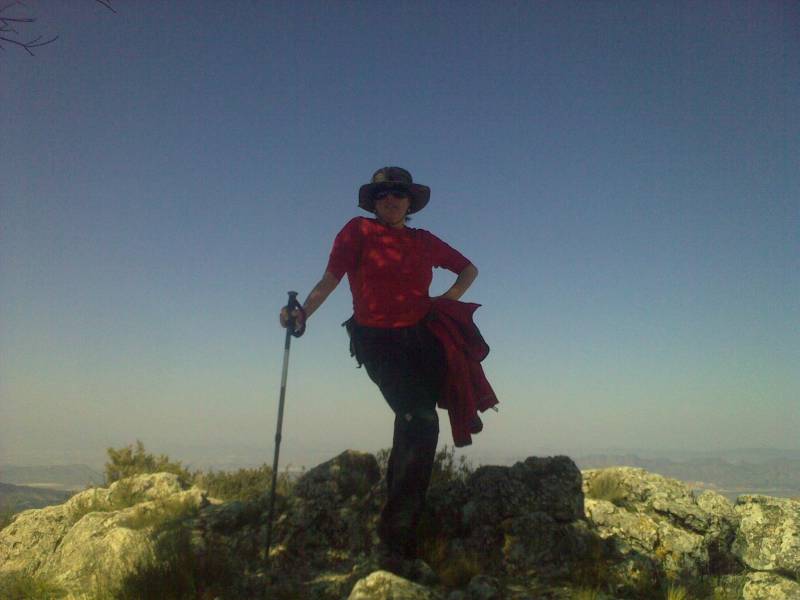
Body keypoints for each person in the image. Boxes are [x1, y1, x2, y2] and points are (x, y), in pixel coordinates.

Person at [280, 166, 481, 577]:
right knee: (419, 421)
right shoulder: (357, 231)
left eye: (399, 193)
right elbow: (330, 279)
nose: (391, 199)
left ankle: (400, 523)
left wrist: (445, 301)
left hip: (423, 341)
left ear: (410, 202)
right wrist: (303, 314)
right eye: (383, 194)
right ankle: (396, 541)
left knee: (412, 425)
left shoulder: (424, 240)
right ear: (373, 202)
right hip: (378, 341)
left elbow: (468, 269)